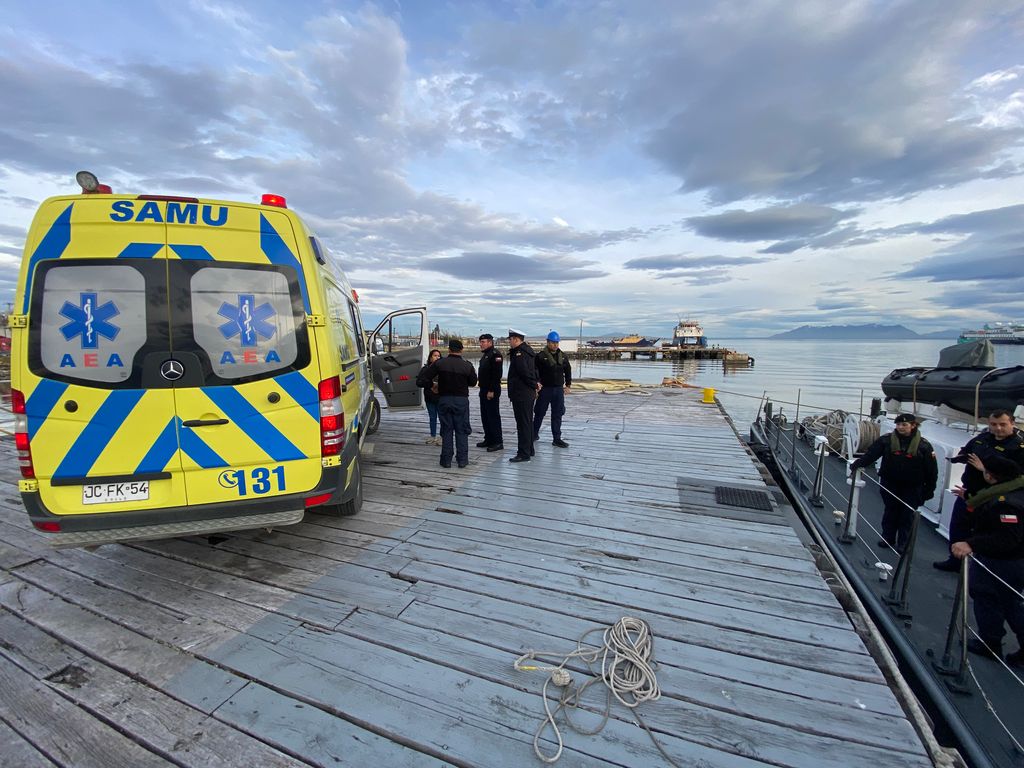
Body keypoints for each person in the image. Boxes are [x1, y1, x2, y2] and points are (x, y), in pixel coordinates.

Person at [949, 455, 1024, 665]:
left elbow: (1006, 538)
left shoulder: (1006, 503)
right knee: (1009, 603)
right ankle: (991, 640)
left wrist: (972, 544)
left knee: (993, 599)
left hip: (1002, 562)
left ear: (991, 476)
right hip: (1011, 561)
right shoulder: (1011, 491)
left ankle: (989, 644)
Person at [935, 409, 1024, 571]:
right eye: (993, 424)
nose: (997, 428)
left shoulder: (1020, 446)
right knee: (958, 526)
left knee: (983, 533)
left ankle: (976, 567)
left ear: (1012, 423)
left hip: (995, 499)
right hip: (969, 493)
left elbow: (1015, 478)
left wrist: (984, 469)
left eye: (1003, 424)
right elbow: (968, 450)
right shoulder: (983, 438)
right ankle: (955, 561)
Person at [850, 413, 938, 552]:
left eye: (904, 425)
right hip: (890, 483)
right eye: (898, 425)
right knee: (890, 511)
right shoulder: (886, 441)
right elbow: (872, 454)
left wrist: (929, 491)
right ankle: (888, 538)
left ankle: (903, 543)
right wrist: (858, 464)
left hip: (912, 487)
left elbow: (931, 471)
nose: (900, 427)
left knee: (906, 515)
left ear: (913, 425)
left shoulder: (924, 446)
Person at [416, 339, 477, 468]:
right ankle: (462, 460)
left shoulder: (440, 363)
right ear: (461, 350)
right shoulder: (467, 365)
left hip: (444, 399)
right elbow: (473, 382)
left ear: (449, 350)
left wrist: (432, 384)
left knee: (447, 430)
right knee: (462, 430)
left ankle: (446, 460)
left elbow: (421, 380)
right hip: (461, 401)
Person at [533, 330, 572, 448]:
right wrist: (536, 384)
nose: (555, 345)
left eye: (557, 343)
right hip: (545, 389)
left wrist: (568, 385)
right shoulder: (540, 356)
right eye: (553, 342)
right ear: (548, 342)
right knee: (539, 413)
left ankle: (557, 438)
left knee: (557, 414)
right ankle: (533, 434)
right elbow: (534, 371)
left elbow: (568, 371)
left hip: (558, 390)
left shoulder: (563, 356)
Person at [506, 328, 538, 463]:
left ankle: (523, 453)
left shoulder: (519, 354)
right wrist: (536, 383)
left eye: (510, 339)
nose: (509, 342)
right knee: (528, 422)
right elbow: (536, 369)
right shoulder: (529, 351)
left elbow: (524, 373)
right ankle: (529, 449)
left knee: (522, 424)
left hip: (521, 393)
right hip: (527, 394)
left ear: (515, 339)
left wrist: (534, 384)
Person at [476, 333, 504, 451]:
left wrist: (491, 390)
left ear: (490, 342)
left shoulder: (495, 355)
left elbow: (496, 374)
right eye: (480, 342)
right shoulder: (486, 355)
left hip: (491, 390)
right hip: (483, 389)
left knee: (493, 416)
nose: (481, 344)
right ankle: (488, 438)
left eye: (483, 342)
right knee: (485, 416)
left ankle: (498, 441)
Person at [416, 349, 442, 445]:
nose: (437, 357)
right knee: (432, 417)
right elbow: (418, 382)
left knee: (442, 417)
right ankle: (433, 435)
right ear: (430, 357)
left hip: (440, 397)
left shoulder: (443, 368)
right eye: (435, 355)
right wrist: (431, 385)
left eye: (439, 356)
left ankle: (443, 437)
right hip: (430, 397)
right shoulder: (425, 369)